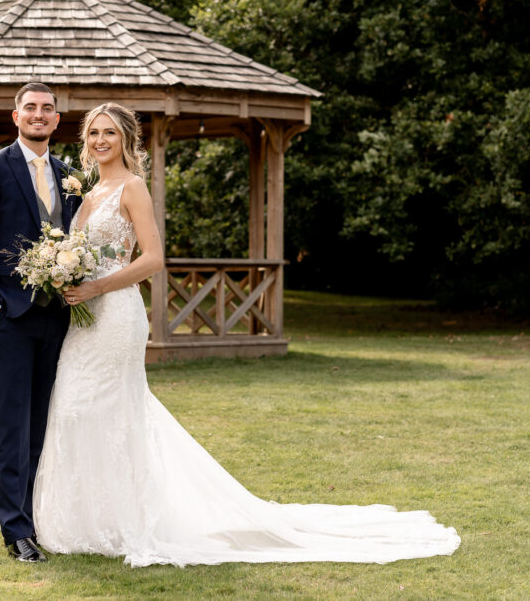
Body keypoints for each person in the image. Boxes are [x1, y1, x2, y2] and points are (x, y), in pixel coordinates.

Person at [31, 102, 461, 567]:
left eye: (110, 133)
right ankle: (84, 518)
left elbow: (153, 259)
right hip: (85, 318)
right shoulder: (88, 193)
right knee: (74, 406)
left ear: (126, 140)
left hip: (116, 316)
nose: (100, 141)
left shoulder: (133, 188)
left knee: (115, 411)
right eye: (93, 132)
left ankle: (125, 521)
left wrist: (97, 284)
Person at [0, 82, 82, 562]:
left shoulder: (71, 176)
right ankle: (15, 530)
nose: (38, 115)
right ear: (15, 117)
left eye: (46, 109)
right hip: (11, 317)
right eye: (29, 107)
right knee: (12, 426)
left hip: (60, 319)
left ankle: (39, 517)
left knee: (43, 425)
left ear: (56, 121)